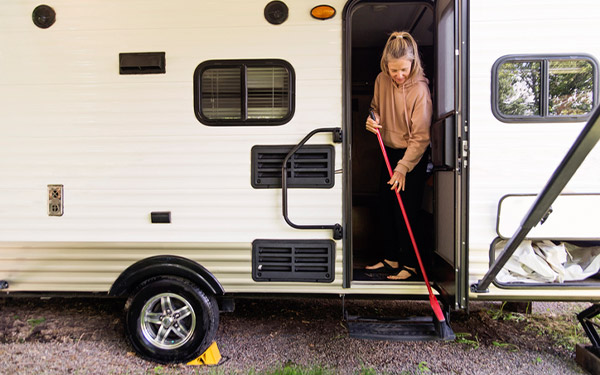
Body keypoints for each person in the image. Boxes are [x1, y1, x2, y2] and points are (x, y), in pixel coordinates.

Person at [364, 31, 432, 281]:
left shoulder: (420, 90)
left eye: (404, 70)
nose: (399, 75)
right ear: (386, 65)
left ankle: (411, 264)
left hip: (411, 156)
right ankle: (391, 257)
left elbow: (421, 137)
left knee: (407, 209)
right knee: (386, 206)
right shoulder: (381, 80)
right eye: (394, 70)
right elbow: (375, 108)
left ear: (413, 64)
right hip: (389, 150)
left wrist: (403, 168)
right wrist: (372, 120)